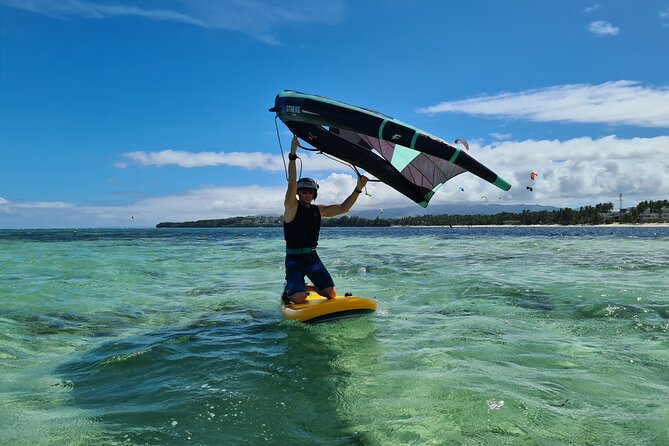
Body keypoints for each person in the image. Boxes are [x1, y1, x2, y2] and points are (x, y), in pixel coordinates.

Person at [282, 135, 368, 304]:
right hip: (294, 260)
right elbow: (291, 184)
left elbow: (344, 208)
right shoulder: (291, 206)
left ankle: (302, 286)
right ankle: (290, 289)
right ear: (299, 193)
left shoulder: (318, 210)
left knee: (331, 294)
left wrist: (358, 189)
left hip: (312, 257)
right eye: (304, 191)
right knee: (298, 299)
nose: (307, 194)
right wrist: (293, 154)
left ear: (314, 194)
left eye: (310, 192)